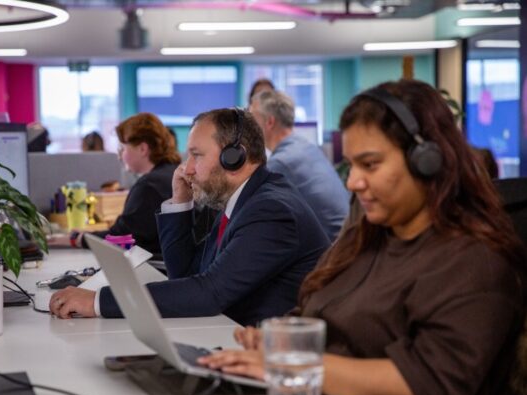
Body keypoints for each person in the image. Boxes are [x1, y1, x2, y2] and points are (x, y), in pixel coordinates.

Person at [198, 80, 526, 395]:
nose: (353, 181)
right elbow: (320, 313)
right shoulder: (369, 237)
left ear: (426, 161)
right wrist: (279, 340)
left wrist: (297, 364)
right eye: (352, 164)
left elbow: (431, 385)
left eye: (370, 164)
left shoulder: (473, 261)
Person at [50, 108, 330, 325]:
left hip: (269, 351)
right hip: (229, 331)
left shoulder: (271, 211)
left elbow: (209, 293)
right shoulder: (241, 200)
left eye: (197, 155)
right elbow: (185, 275)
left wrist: (98, 302)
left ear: (234, 158)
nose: (187, 169)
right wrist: (180, 202)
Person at [48, 112, 180, 256]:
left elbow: (122, 239)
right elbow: (129, 233)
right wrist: (90, 233)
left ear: (142, 149)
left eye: (123, 148)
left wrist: (78, 239)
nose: (119, 155)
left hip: (154, 270)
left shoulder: (149, 186)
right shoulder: (172, 173)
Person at [250, 90, 349, 241]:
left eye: (252, 118)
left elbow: (253, 212)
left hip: (335, 252)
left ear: (269, 122)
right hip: (346, 239)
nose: (248, 126)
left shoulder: (281, 163)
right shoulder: (306, 147)